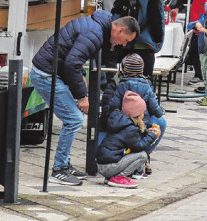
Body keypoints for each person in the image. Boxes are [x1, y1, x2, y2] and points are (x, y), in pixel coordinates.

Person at [30, 12, 139, 185]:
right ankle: (59, 169)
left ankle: (64, 163)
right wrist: (82, 96)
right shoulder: (95, 33)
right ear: (120, 30)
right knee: (74, 119)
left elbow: (73, 56)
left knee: (73, 117)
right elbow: (72, 62)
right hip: (46, 74)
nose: (123, 44)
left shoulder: (97, 28)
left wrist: (80, 75)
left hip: (51, 71)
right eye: (126, 40)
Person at [95, 91, 161, 189]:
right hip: (108, 166)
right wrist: (153, 136)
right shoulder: (130, 129)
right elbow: (139, 146)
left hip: (104, 164)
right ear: (138, 114)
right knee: (142, 155)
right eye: (143, 111)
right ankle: (118, 177)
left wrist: (147, 132)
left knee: (135, 153)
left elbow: (133, 138)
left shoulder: (122, 122)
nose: (144, 114)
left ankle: (111, 177)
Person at [114, 0, 166, 76]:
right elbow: (155, 20)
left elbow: (116, 12)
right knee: (143, 81)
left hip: (126, 43)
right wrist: (158, 38)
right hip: (144, 45)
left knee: (125, 78)